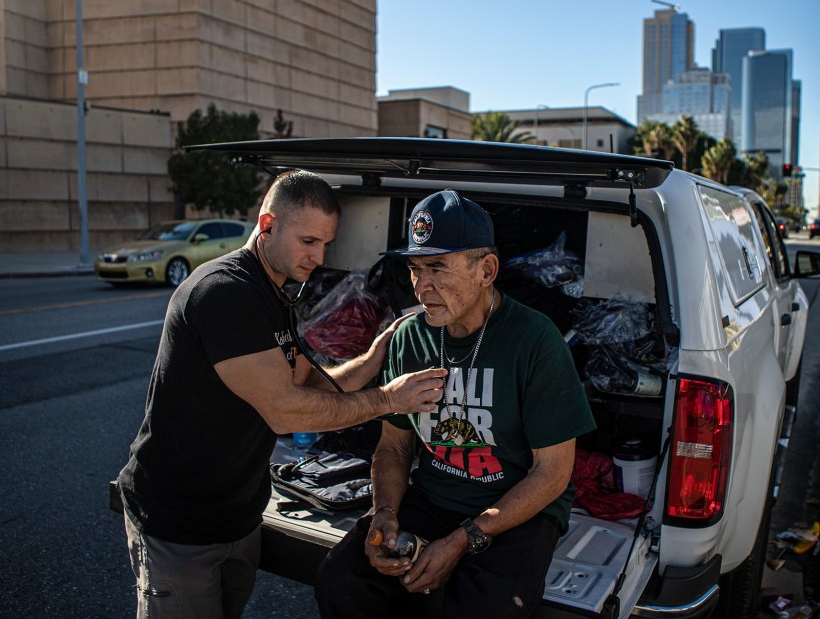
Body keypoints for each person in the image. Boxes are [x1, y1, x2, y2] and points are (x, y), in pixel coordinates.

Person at [117, 170, 446, 618]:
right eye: (308, 241)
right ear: (267, 223)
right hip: (180, 524)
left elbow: (313, 385)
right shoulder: (225, 292)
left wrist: (373, 357)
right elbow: (286, 412)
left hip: (236, 516)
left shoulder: (273, 292)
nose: (318, 256)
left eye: (326, 244)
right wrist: (389, 399)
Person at [315, 190, 596, 619]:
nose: (421, 286)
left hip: (517, 511)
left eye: (437, 268)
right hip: (434, 497)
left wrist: (462, 540)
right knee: (342, 580)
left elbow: (553, 474)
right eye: (414, 269)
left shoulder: (535, 340)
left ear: (486, 270)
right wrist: (384, 515)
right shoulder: (408, 337)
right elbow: (393, 447)